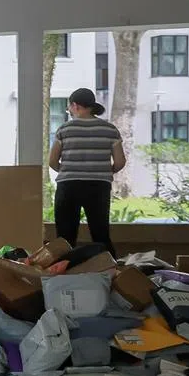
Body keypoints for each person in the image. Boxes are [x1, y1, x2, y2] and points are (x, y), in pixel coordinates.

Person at [49, 87, 126, 257]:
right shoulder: (110, 129)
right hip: (98, 187)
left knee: (65, 238)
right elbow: (120, 162)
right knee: (100, 234)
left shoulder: (64, 129)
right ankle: (110, 273)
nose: (69, 110)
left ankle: (63, 276)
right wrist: (104, 172)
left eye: (69, 106)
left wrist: (68, 170)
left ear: (75, 105)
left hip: (68, 186)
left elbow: (52, 161)